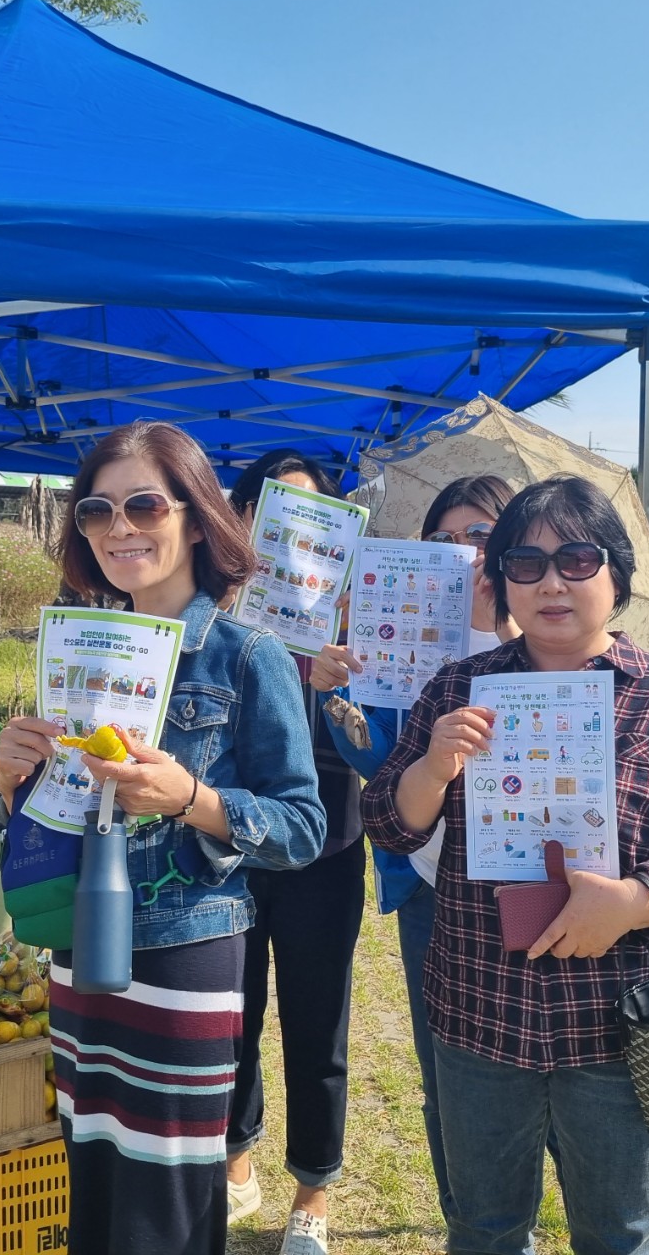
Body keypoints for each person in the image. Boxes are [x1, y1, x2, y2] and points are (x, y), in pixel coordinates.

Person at [360, 475, 649, 1255]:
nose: (551, 583)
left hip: (620, 1026)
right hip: (479, 1011)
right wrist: (432, 769)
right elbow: (386, 823)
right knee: (484, 1226)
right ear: (501, 580)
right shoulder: (459, 687)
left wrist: (637, 899)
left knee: (623, 1232)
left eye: (577, 558)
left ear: (617, 574)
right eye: (524, 564)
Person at [0, 422, 325, 1255]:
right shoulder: (80, 653)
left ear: (195, 517)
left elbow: (302, 826)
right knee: (91, 1161)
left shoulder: (250, 656)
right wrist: (11, 785)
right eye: (96, 511)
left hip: (185, 947)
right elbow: (54, 818)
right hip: (76, 938)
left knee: (167, 1193)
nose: (119, 528)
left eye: (144, 504)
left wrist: (192, 797)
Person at [308, 474, 515, 1221]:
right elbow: (374, 766)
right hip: (434, 883)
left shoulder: (555, 638)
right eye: (444, 539)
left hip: (538, 886)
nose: (462, 553)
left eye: (481, 536)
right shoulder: (401, 632)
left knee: (554, 1069)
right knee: (448, 1070)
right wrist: (339, 694)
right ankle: (469, 1215)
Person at [224, 449, 365, 1255]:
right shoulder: (218, 612)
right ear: (241, 522)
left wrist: (343, 686)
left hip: (329, 845)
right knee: (232, 1012)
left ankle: (313, 1191)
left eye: (309, 516)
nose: (285, 534)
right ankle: (236, 1162)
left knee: (318, 1022)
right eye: (266, 510)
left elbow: (383, 741)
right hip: (233, 841)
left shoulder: (356, 617)